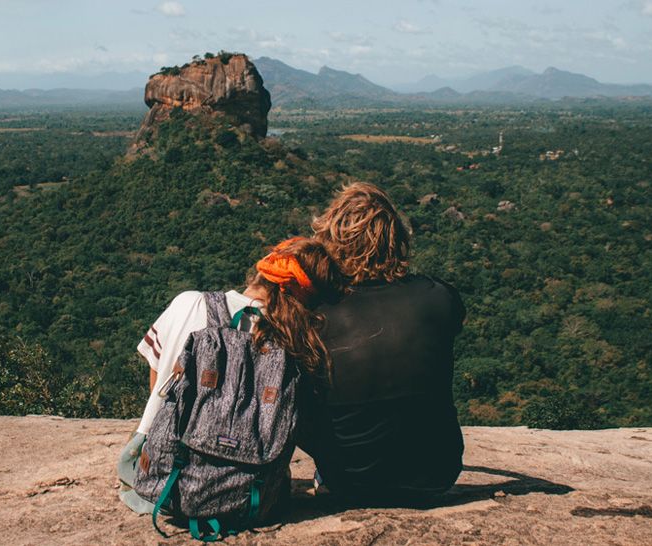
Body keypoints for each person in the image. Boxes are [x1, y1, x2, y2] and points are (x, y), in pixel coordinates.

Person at [117, 237, 345, 513]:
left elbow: (158, 383)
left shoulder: (189, 303)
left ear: (261, 271)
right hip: (250, 491)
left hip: (161, 482)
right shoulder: (298, 343)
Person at [302, 181, 466, 506]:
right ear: (397, 239)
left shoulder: (316, 315)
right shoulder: (439, 297)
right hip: (436, 474)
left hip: (349, 480)